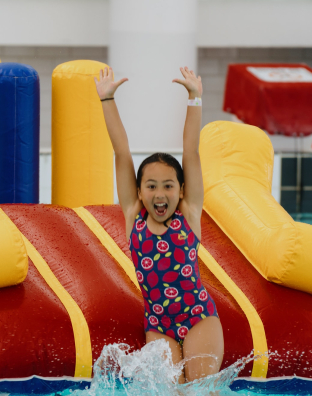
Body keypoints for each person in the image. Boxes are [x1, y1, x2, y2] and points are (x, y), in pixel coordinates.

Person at [95, 66, 224, 383]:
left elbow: (190, 152)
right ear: (139, 192)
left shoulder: (189, 215)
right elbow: (121, 152)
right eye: (151, 185)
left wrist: (194, 98)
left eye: (169, 185)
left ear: (181, 191)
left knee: (202, 390)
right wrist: (107, 99)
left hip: (198, 316)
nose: (160, 193)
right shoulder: (133, 218)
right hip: (158, 323)